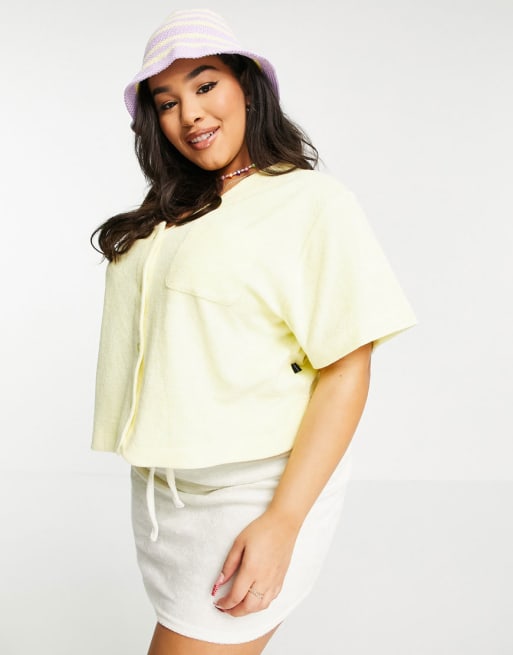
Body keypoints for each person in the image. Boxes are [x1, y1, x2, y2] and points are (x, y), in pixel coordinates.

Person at [90, 8, 417, 655]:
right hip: (165, 499)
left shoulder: (309, 202)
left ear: (247, 86)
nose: (190, 114)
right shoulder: (168, 214)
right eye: (167, 102)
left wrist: (283, 520)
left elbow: (346, 368)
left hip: (256, 493)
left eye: (206, 85)